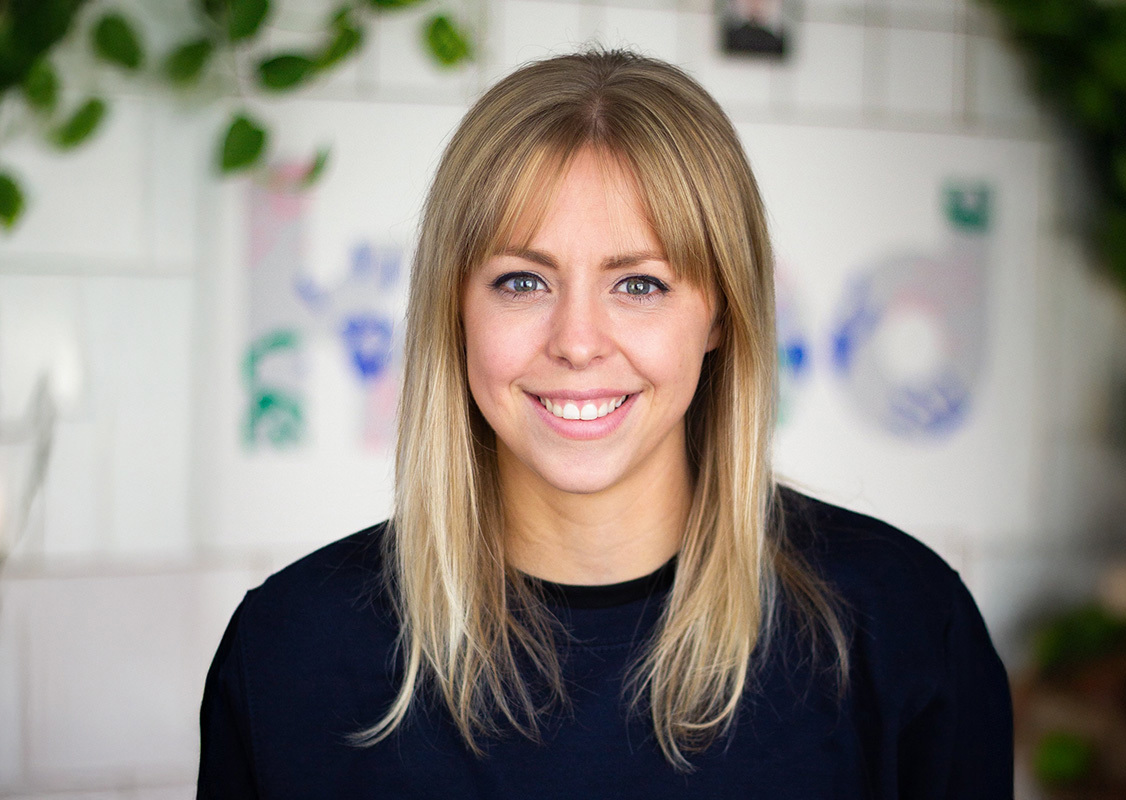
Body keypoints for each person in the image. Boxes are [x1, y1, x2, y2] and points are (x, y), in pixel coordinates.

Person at [198, 49, 1013, 798]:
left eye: (640, 284)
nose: (578, 342)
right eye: (522, 282)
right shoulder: (289, 651)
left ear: (720, 313)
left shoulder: (903, 632)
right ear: (455, 309)